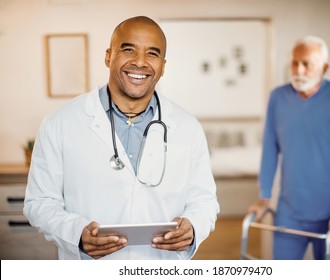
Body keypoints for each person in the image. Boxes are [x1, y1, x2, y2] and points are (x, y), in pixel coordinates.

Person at [24, 16, 219, 260]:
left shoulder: (188, 127)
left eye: (152, 53)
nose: (140, 62)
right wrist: (76, 234)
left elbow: (205, 201)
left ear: (163, 65)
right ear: (108, 56)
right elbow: (39, 202)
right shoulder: (60, 123)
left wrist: (193, 227)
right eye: (129, 49)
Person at [248, 35, 330, 260]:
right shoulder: (278, 97)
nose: (298, 70)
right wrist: (264, 196)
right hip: (289, 213)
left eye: (307, 64)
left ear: (324, 67)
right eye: (294, 62)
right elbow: (270, 150)